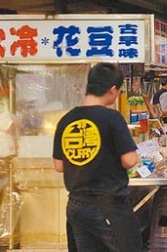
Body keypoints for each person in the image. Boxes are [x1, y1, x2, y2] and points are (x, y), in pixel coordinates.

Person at [52, 63, 142, 251]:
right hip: (108, 205)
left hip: (76, 205)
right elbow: (130, 160)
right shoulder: (112, 118)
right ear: (112, 90)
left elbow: (59, 165)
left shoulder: (67, 119)